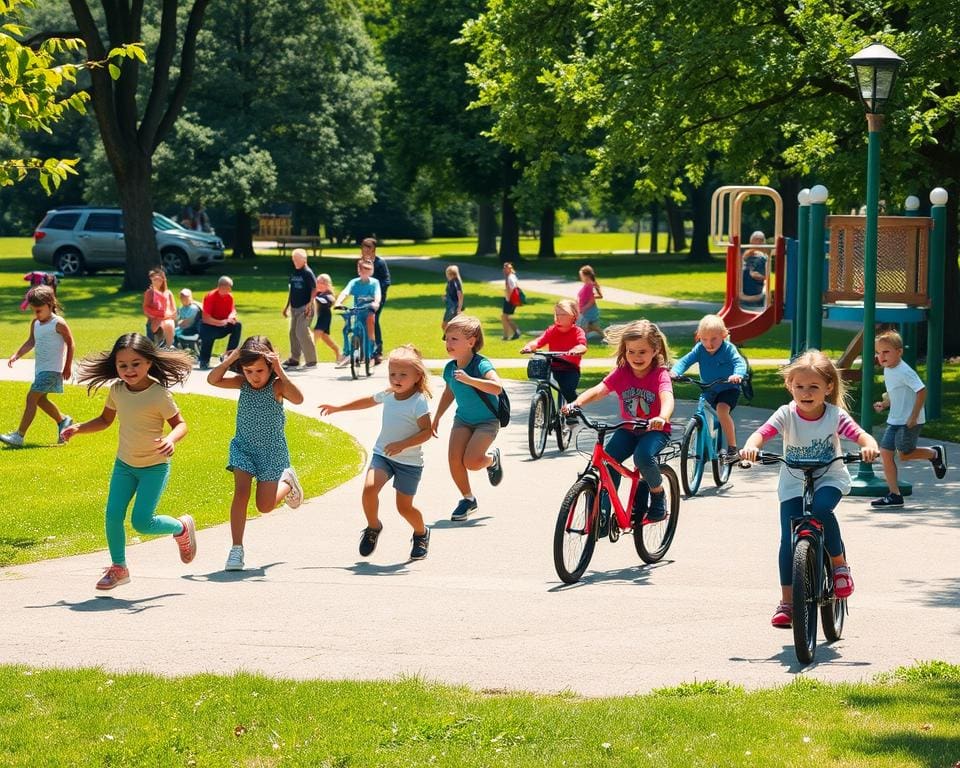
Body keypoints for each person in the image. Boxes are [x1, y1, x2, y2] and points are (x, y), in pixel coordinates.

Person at [739, 350, 880, 629]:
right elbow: (762, 433)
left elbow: (860, 434)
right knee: (786, 539)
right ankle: (788, 603)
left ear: (828, 388)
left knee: (820, 509)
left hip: (829, 477)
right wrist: (751, 447)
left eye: (813, 386)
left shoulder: (834, 416)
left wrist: (868, 445)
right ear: (789, 386)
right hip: (793, 480)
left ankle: (839, 565)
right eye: (799, 386)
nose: (805, 392)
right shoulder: (786, 414)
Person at [60, 333, 197, 590]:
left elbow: (181, 424)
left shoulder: (158, 394)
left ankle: (180, 528)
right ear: (116, 367)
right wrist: (78, 427)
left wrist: (171, 439)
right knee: (112, 516)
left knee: (142, 522)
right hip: (124, 465)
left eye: (136, 363)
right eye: (122, 365)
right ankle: (119, 567)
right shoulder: (117, 391)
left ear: (148, 362)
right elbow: (105, 421)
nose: (129, 370)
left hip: (154, 467)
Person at [319, 345, 433, 560]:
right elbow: (367, 401)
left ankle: (421, 533)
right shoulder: (389, 394)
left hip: (409, 462)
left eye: (402, 375)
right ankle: (373, 527)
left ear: (417, 376)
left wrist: (403, 444)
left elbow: (427, 432)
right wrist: (338, 408)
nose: (396, 379)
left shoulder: (418, 401)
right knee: (369, 489)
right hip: (383, 455)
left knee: (404, 508)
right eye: (392, 374)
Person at [207, 336, 305, 571]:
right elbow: (213, 379)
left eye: (260, 370)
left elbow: (299, 399)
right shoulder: (241, 383)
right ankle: (236, 549)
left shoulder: (277, 385)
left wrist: (280, 370)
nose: (254, 376)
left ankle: (289, 484)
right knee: (241, 492)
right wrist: (232, 357)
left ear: (270, 366)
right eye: (248, 370)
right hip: (243, 448)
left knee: (265, 506)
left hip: (271, 453)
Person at [563, 319, 675, 523]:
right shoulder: (622, 372)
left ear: (655, 350)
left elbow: (667, 398)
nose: (636, 357)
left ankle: (657, 494)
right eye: (631, 351)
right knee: (608, 460)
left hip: (655, 431)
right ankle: (603, 513)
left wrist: (662, 417)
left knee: (642, 457)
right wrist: (576, 403)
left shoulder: (660, 374)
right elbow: (599, 391)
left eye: (642, 351)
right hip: (628, 430)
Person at [431, 314, 505, 521]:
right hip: (463, 419)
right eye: (446, 338)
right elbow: (449, 392)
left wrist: (471, 380)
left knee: (472, 462)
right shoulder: (450, 368)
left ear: (471, 341)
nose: (448, 343)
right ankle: (468, 499)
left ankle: (492, 460)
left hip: (487, 421)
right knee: (454, 459)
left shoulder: (481, 365)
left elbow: (497, 387)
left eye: (454, 339)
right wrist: (436, 417)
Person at [871, 330, 947, 508]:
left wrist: (913, 416)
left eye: (886, 352)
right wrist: (885, 403)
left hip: (909, 421)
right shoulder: (889, 370)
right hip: (895, 419)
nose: (881, 357)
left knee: (904, 454)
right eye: (878, 353)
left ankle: (934, 453)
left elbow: (921, 391)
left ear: (899, 351)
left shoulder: (905, 371)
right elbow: (897, 393)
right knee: (886, 453)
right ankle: (894, 495)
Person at [1, 286, 75, 448]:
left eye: (39, 310)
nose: (36, 314)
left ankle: (19, 436)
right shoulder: (36, 323)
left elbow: (71, 343)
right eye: (34, 311)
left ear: (50, 304)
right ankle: (63, 421)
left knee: (31, 397)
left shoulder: (58, 323)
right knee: (40, 400)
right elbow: (31, 341)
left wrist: (67, 366)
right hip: (41, 369)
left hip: (52, 370)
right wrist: (17, 355)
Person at [670, 314, 748, 459]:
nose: (709, 344)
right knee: (701, 412)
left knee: (721, 410)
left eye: (714, 339)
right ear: (699, 337)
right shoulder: (700, 349)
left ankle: (732, 447)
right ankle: (697, 443)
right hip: (708, 389)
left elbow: (739, 362)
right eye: (704, 339)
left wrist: (737, 374)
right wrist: (675, 372)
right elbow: (685, 361)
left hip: (728, 388)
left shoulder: (728, 349)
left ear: (724, 335)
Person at [520, 299, 587, 404]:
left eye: (563, 314)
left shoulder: (577, 331)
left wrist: (576, 350)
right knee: (542, 381)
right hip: (553, 366)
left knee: (568, 390)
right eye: (557, 314)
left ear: (573, 316)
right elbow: (539, 341)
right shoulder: (552, 330)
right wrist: (529, 346)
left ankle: (572, 411)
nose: (558, 317)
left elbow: (582, 345)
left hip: (570, 369)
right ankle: (545, 402)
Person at [333, 259, 380, 368]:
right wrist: (338, 302)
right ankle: (349, 355)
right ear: (358, 270)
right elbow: (345, 292)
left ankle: (370, 357)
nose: (365, 272)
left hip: (369, 310)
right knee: (350, 331)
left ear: (371, 271)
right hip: (357, 310)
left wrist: (376, 303)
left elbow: (377, 294)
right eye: (362, 270)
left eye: (368, 270)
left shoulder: (374, 283)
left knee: (369, 332)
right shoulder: (354, 282)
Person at [281, 248, 318, 369]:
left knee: (301, 331)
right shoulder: (294, 273)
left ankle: (311, 360)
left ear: (304, 259)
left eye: (297, 259)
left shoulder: (308, 272)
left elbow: (314, 288)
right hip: (294, 307)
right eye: (293, 259)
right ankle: (294, 359)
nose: (295, 261)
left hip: (305, 308)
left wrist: (310, 304)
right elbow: (291, 291)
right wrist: (286, 307)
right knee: (293, 332)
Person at [197, 275, 243, 370]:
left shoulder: (229, 297)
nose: (230, 290)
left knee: (237, 325)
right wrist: (222, 322)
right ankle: (204, 361)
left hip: (223, 324)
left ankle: (229, 357)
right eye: (228, 287)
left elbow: (232, 310)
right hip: (210, 325)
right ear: (222, 286)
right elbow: (206, 318)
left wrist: (231, 316)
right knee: (207, 333)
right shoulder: (210, 297)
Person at [360, 237, 390, 364]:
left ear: (373, 250)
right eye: (363, 248)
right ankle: (364, 350)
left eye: (368, 248)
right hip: (363, 298)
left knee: (373, 320)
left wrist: (376, 292)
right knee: (360, 321)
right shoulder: (362, 263)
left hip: (377, 299)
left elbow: (386, 281)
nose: (365, 251)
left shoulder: (380, 263)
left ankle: (378, 351)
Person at [143, 267, 176, 348]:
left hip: (167, 319)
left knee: (169, 325)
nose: (157, 282)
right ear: (151, 279)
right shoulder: (149, 293)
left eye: (160, 279)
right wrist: (155, 316)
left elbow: (173, 309)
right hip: (154, 320)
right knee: (154, 340)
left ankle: (169, 346)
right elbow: (146, 308)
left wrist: (167, 316)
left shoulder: (168, 293)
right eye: (155, 279)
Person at [313, 273, 342, 364]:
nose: (317, 284)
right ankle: (338, 352)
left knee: (312, 340)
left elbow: (326, 301)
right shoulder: (318, 293)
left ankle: (310, 359)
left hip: (323, 319)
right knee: (325, 338)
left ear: (326, 284)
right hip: (318, 318)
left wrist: (313, 298)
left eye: (320, 282)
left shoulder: (329, 295)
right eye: (317, 282)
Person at [740, 230, 768, 309]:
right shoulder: (747, 255)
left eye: (761, 240)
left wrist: (763, 278)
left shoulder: (763, 257)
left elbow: (767, 277)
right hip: (746, 293)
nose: (758, 243)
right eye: (756, 240)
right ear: (751, 242)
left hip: (757, 294)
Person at [577, 265, 604, 338]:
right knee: (590, 326)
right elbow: (592, 297)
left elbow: (591, 301)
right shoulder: (588, 285)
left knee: (586, 327)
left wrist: (583, 309)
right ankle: (604, 336)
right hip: (587, 309)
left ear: (587, 276)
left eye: (581, 275)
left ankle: (603, 337)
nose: (580, 277)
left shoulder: (589, 286)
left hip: (589, 310)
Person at [501, 262, 522, 340]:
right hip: (510, 299)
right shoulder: (512, 276)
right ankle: (515, 332)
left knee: (505, 317)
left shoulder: (510, 277)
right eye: (504, 268)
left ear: (509, 269)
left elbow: (512, 288)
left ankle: (507, 335)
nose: (504, 270)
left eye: (506, 268)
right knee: (506, 318)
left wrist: (509, 299)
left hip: (510, 300)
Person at [442, 264, 464, 336]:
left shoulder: (455, 282)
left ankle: (450, 339)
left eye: (447, 274)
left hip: (453, 307)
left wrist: (459, 308)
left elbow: (460, 295)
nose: (446, 276)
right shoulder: (450, 282)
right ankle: (450, 338)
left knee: (446, 325)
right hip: (450, 307)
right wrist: (446, 297)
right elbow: (452, 293)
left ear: (451, 274)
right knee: (447, 325)